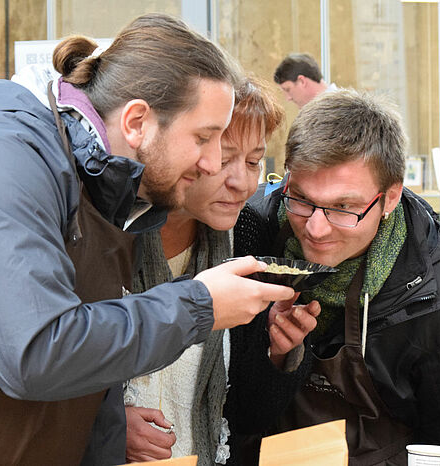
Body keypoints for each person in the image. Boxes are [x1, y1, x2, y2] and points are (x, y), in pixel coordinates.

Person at [0, 14, 295, 465]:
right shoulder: (5, 158)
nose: (212, 165)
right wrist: (199, 304)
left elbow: (96, 380)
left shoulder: (108, 186)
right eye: (205, 139)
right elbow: (37, 353)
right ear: (136, 122)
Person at [225, 89, 440, 464]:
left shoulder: (439, 299)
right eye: (300, 198)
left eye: (343, 207)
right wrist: (274, 357)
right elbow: (234, 413)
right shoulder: (251, 237)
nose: (315, 229)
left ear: (390, 197)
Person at [121, 77, 318, 466]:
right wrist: (106, 424)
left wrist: (277, 352)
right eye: (224, 158)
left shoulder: (246, 235)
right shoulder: (111, 234)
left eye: (253, 161)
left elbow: (248, 416)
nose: (242, 182)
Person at [273, 53, 337, 108]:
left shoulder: (341, 110)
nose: (288, 98)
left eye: (288, 89)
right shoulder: (318, 110)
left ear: (302, 81)